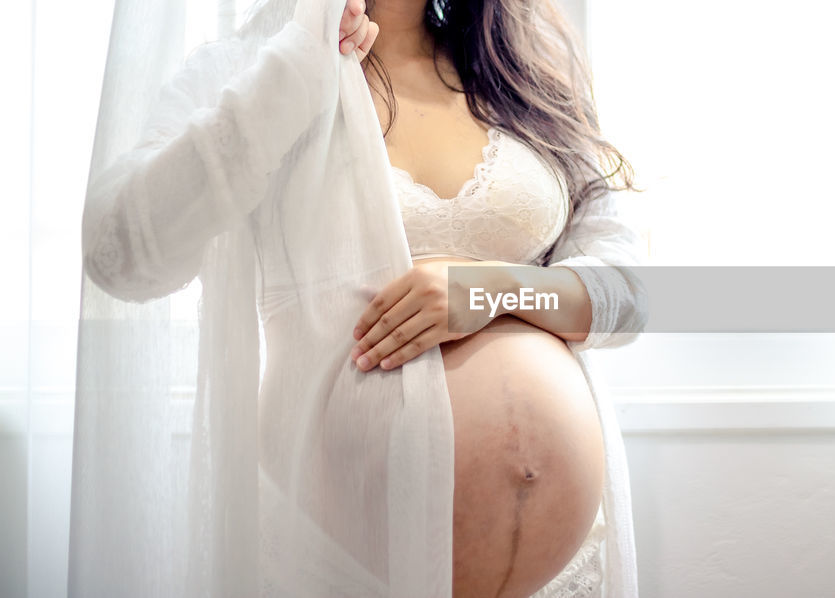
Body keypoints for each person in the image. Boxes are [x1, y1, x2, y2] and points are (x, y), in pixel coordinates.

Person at [77, 0, 647, 595]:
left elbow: (633, 295)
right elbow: (119, 256)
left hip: (558, 577)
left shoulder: (523, 72)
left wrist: (490, 290)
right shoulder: (245, 67)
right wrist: (299, 63)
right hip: (338, 564)